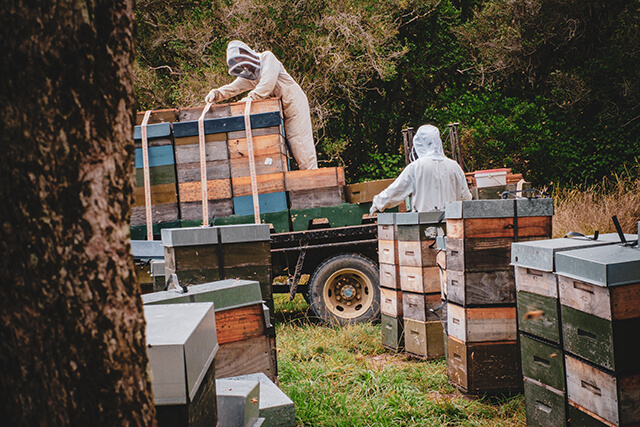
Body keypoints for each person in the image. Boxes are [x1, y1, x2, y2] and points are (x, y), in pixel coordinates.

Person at [205, 40, 318, 170]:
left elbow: (267, 83)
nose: (243, 65)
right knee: (286, 145)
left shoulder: (267, 58)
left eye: (240, 59)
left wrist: (251, 98)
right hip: (279, 109)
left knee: (299, 141)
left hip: (294, 103)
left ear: (246, 53)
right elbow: (233, 88)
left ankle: (313, 177)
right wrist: (216, 94)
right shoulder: (251, 75)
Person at [370, 124, 472, 215]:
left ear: (419, 143)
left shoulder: (416, 167)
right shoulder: (454, 166)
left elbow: (396, 190)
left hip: (424, 224)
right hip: (452, 224)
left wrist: (377, 203)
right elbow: (466, 197)